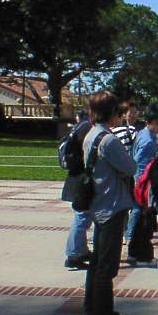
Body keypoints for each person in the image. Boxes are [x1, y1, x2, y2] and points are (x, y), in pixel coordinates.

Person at [83, 90, 137, 315]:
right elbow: (130, 167)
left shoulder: (92, 135)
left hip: (99, 202)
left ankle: (93, 309)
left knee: (97, 262)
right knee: (107, 266)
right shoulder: (109, 140)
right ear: (112, 112)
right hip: (112, 205)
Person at [127, 103, 158, 266]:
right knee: (141, 218)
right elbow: (141, 167)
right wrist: (144, 191)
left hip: (141, 184)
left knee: (140, 216)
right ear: (148, 123)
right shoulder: (147, 141)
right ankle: (138, 252)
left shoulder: (144, 135)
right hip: (143, 185)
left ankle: (135, 249)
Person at [62, 108, 94, 270]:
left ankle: (81, 250)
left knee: (82, 216)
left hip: (76, 177)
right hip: (81, 179)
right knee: (82, 217)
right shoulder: (87, 127)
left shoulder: (79, 128)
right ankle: (73, 254)